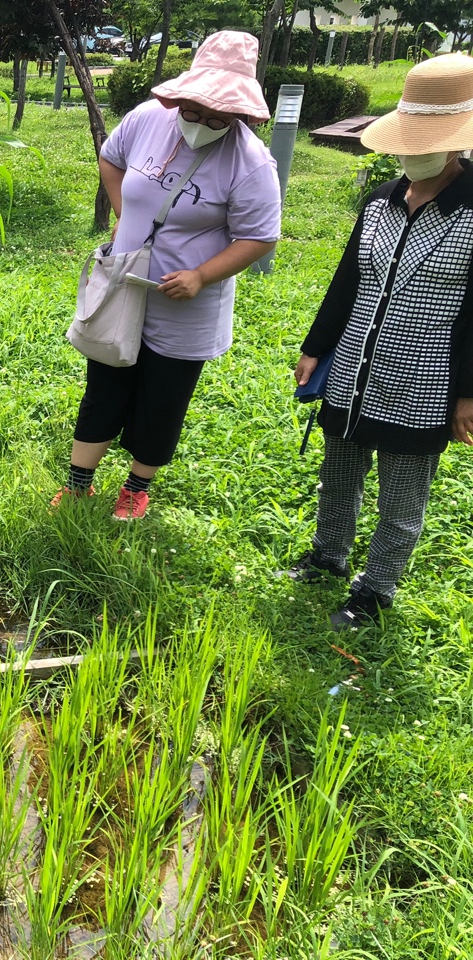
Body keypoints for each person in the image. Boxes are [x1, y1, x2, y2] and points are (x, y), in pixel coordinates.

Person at [55, 31, 281, 519]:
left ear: (239, 115)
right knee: (105, 383)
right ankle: (77, 485)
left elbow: (260, 237)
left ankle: (136, 488)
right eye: (193, 112)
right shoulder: (147, 118)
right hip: (124, 285)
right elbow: (111, 159)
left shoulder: (251, 162)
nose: (201, 124)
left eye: (217, 118)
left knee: (163, 397)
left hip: (186, 304)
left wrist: (200, 276)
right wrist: (124, 217)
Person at [286, 54, 473, 630]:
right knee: (340, 469)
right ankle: (329, 555)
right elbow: (347, 281)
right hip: (355, 366)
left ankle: (376, 590)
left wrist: (468, 394)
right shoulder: (381, 200)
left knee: (402, 493)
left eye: (428, 142)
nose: (414, 153)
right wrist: (316, 347)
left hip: (425, 379)